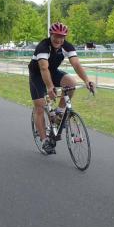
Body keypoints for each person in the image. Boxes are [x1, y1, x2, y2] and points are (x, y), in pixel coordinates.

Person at [29, 22, 95, 155]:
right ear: (51, 35)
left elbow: (76, 64)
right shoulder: (43, 47)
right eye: (56, 36)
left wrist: (86, 80)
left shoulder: (67, 46)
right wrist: (50, 87)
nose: (59, 40)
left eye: (62, 37)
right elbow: (43, 68)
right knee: (40, 106)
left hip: (52, 72)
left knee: (71, 83)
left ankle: (59, 113)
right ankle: (44, 141)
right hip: (37, 75)